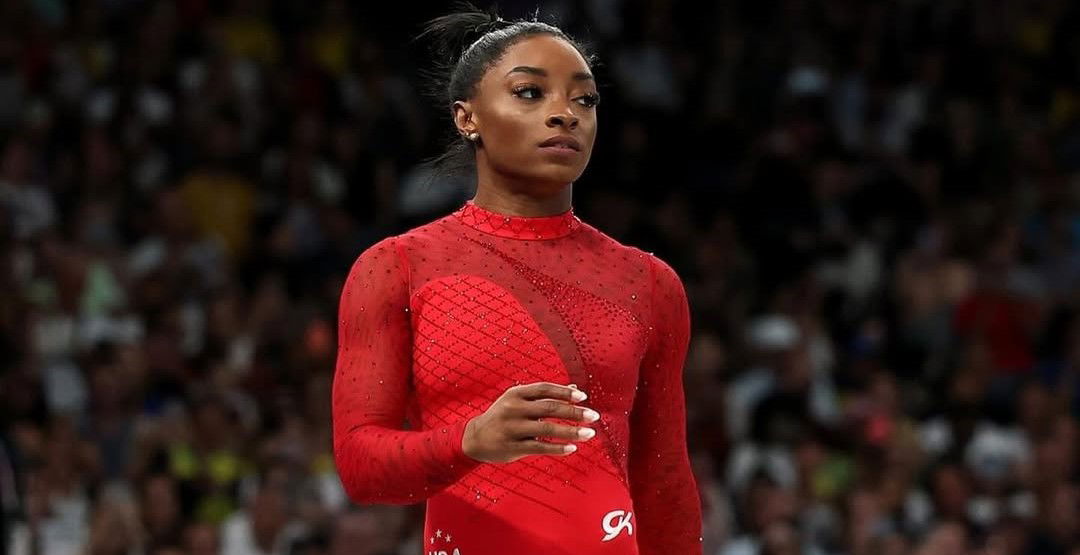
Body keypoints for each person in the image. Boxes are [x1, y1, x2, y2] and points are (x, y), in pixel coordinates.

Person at [331, 5, 702, 554]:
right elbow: (361, 466)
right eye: (530, 92)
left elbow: (664, 483)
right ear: (468, 118)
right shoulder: (398, 267)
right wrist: (470, 441)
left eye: (585, 99)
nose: (565, 114)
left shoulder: (648, 282)